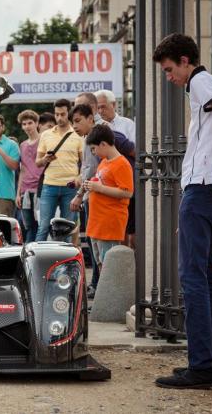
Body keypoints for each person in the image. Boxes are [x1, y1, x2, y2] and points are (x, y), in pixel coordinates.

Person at [153, 33, 212, 389]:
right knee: (208, 275)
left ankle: (201, 367)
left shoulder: (200, 80)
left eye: (168, 69)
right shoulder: (203, 84)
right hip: (206, 190)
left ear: (184, 60)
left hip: (202, 188)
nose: (168, 77)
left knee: (193, 278)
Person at [83, 124, 133, 294]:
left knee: (109, 264)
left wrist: (98, 188)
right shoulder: (104, 162)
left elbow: (127, 193)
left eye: (94, 148)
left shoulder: (122, 164)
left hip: (109, 222)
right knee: (101, 263)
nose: (93, 152)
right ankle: (105, 296)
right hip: (97, 222)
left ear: (103, 144)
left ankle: (111, 297)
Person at [35, 99, 82, 242]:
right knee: (43, 227)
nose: (59, 118)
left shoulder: (78, 134)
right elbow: (37, 162)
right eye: (57, 114)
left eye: (62, 114)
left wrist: (79, 179)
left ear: (69, 113)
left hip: (70, 187)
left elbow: (84, 163)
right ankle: (36, 261)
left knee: (68, 229)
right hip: (49, 186)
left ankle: (66, 263)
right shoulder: (46, 135)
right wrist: (45, 160)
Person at [16, 110, 43, 243]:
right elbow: (22, 170)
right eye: (24, 124)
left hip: (41, 189)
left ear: (37, 123)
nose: (27, 126)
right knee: (29, 226)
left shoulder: (44, 140)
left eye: (30, 123)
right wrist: (18, 193)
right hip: (25, 191)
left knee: (41, 225)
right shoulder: (22, 145)